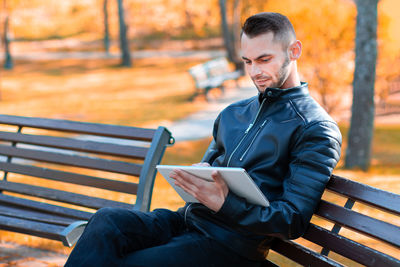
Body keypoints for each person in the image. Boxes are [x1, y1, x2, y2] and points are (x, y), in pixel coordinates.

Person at [65, 12, 342, 267]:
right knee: (106, 221)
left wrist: (225, 203)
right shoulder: (233, 114)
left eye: (264, 59)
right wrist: (197, 177)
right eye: (247, 61)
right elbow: (207, 169)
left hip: (229, 245)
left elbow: (291, 221)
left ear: (294, 51)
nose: (254, 71)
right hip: (186, 222)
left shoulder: (315, 129)